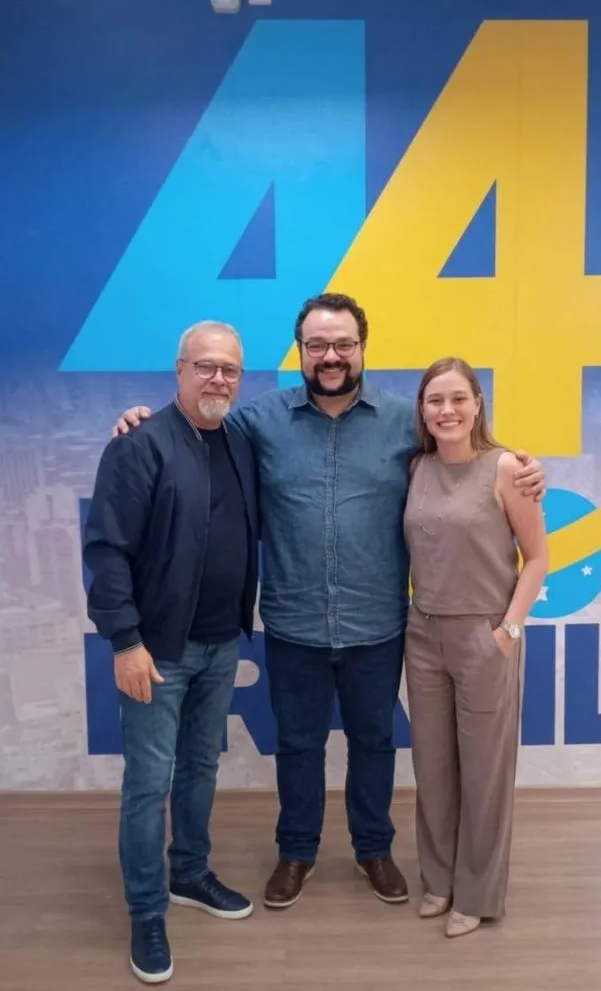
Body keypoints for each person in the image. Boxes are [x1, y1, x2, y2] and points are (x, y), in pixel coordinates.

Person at [110, 293, 546, 911]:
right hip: (293, 624)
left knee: (374, 744)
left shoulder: (406, 421)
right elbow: (192, 424)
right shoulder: (258, 420)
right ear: (301, 352)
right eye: (318, 345)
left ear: (363, 348)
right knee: (298, 745)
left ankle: (374, 849)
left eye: (344, 344)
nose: (331, 356)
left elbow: (469, 451)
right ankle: (297, 852)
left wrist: (525, 465)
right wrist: (138, 419)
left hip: (378, 623)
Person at [83, 321, 259, 985]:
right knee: (148, 784)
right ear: (179, 370)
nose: (219, 379)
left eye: (231, 370)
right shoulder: (139, 445)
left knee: (199, 771)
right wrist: (125, 641)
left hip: (221, 646)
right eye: (206, 366)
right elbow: (106, 552)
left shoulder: (239, 441)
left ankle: (189, 873)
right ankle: (147, 912)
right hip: (156, 651)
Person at [403, 357, 548, 939]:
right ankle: (439, 882)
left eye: (458, 398)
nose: (447, 410)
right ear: (422, 410)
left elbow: (537, 557)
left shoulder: (508, 468)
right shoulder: (415, 467)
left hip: (485, 633)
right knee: (433, 768)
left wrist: (508, 632)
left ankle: (478, 893)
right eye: (435, 400)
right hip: (423, 634)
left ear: (477, 404)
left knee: (484, 772)